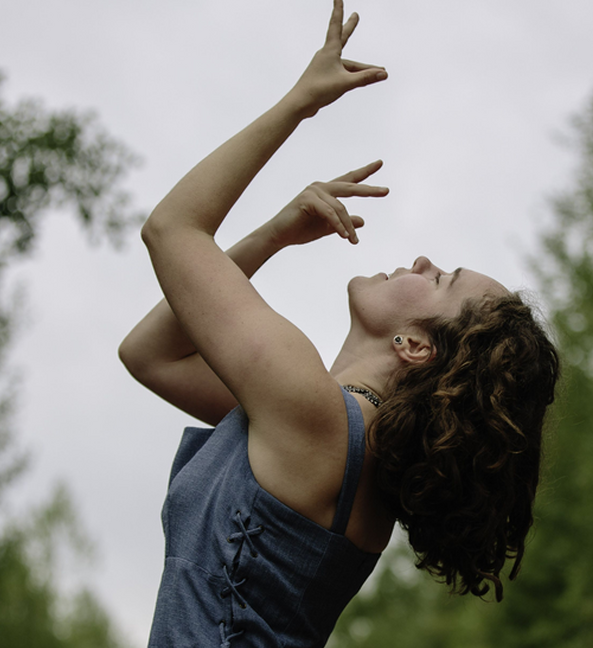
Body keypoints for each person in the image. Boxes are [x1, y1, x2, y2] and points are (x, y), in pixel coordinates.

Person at [119, 1, 560, 646]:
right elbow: (151, 354)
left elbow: (171, 229)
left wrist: (301, 102)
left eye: (439, 281)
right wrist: (271, 237)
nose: (422, 260)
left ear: (414, 346)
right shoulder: (325, 437)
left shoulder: (312, 418)